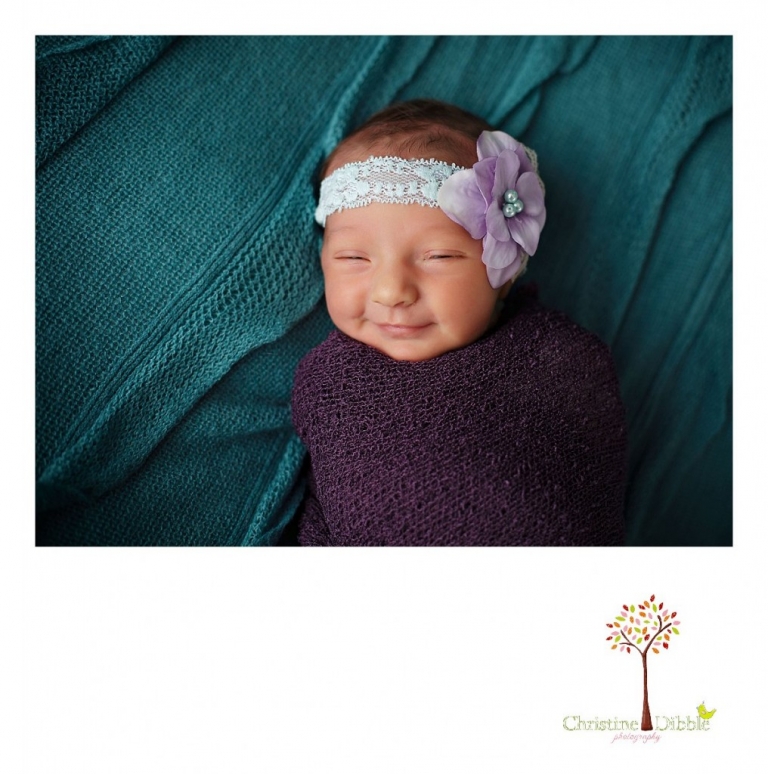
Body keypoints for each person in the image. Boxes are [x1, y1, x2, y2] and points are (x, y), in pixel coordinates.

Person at [287, 99, 626, 546]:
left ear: (504, 270)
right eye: (353, 258)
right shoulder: (325, 382)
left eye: (439, 256)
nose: (391, 291)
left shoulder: (559, 363)